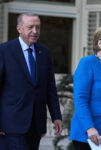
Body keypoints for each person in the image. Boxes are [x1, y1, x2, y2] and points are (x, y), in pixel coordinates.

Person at [0, 12, 63, 150]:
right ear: (19, 29)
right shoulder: (4, 51)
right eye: (30, 27)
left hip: (36, 125)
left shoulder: (44, 52)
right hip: (11, 124)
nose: (35, 31)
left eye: (38, 27)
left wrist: (56, 116)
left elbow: (50, 88)